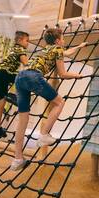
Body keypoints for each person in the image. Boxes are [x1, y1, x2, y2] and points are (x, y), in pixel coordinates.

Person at [10, 28, 86, 171]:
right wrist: (78, 75)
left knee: (22, 121)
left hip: (20, 78)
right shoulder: (57, 49)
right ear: (58, 41)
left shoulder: (46, 49)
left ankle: (17, 158)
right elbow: (63, 73)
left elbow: (66, 52)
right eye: (63, 39)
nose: (64, 42)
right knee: (59, 102)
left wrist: (79, 47)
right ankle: (44, 134)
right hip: (33, 77)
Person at [0, 31, 29, 138]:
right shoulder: (20, 49)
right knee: (24, 77)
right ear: (20, 40)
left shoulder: (12, 49)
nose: (28, 43)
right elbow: (26, 63)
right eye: (27, 41)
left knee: (1, 102)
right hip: (5, 74)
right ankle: (13, 96)